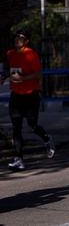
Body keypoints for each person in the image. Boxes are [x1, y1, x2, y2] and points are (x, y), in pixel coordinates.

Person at [0, 30, 55, 171]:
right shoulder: (10, 53)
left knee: (32, 126)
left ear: (26, 41)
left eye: (21, 37)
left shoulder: (31, 54)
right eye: (16, 37)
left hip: (31, 94)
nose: (17, 39)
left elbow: (38, 74)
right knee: (16, 128)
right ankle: (19, 159)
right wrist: (5, 76)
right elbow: (12, 70)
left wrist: (22, 79)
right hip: (16, 95)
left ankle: (46, 138)